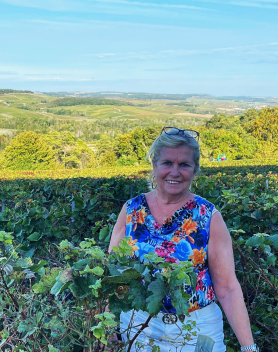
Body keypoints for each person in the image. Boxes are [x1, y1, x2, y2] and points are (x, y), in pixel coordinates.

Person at [108, 127, 257, 352]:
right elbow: (114, 277)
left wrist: (249, 349)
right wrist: (109, 332)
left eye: (184, 165)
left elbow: (227, 288)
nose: (175, 172)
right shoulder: (130, 211)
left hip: (197, 330)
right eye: (167, 163)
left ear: (194, 169)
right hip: (138, 327)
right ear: (155, 165)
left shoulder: (208, 216)